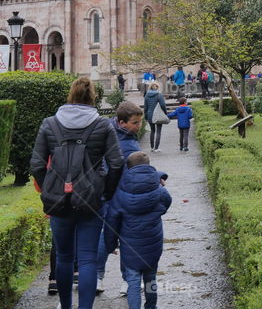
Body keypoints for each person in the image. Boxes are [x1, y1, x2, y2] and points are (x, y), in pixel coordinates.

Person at [30, 77, 123, 309]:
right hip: (91, 200)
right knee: (88, 258)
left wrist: (49, 190)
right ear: (93, 97)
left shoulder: (49, 124)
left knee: (63, 257)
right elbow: (117, 163)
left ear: (70, 95)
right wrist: (106, 192)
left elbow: (36, 165)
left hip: (58, 201)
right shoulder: (102, 125)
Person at [104, 152, 172, 309]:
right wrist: (158, 212)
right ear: (149, 166)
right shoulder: (159, 190)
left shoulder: (120, 191)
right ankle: (151, 306)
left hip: (130, 245)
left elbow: (112, 220)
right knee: (150, 278)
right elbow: (167, 201)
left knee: (133, 280)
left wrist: (110, 245)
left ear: (128, 168)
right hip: (153, 242)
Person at [97, 101, 144, 296]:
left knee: (106, 238)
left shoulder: (110, 132)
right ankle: (125, 280)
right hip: (119, 196)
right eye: (135, 122)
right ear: (122, 122)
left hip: (111, 194)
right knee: (125, 239)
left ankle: (97, 277)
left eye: (140, 122)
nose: (139, 126)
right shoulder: (123, 141)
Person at [143, 82, 168, 153]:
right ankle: (156, 148)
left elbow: (145, 107)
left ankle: (152, 147)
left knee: (152, 131)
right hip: (158, 114)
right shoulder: (159, 95)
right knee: (158, 131)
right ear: (157, 87)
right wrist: (165, 113)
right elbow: (163, 105)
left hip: (150, 115)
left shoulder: (147, 95)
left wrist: (146, 116)